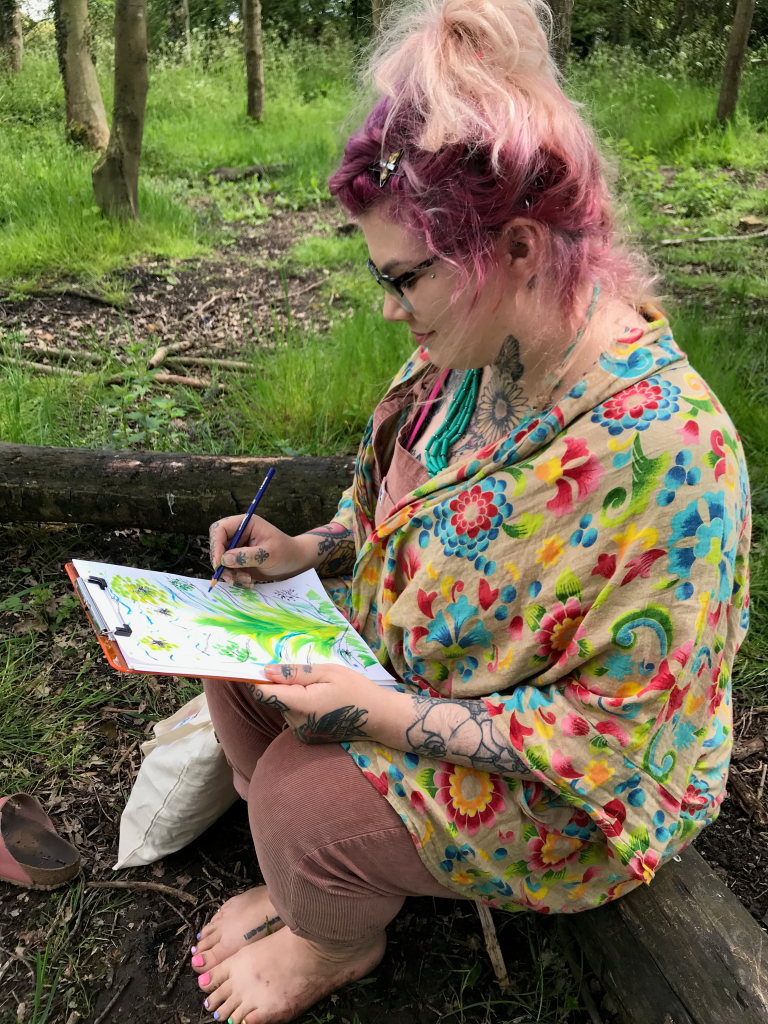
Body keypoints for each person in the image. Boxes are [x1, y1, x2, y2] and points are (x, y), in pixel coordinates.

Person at [189, 1, 751, 1021]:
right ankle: (312, 864)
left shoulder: (668, 458)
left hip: (582, 790)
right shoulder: (471, 349)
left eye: (406, 279)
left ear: (523, 248)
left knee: (291, 799)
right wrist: (300, 549)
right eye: (380, 276)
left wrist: (385, 717)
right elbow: (409, 502)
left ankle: (331, 937)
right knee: (234, 664)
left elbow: (616, 741)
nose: (390, 309)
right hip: (423, 672)